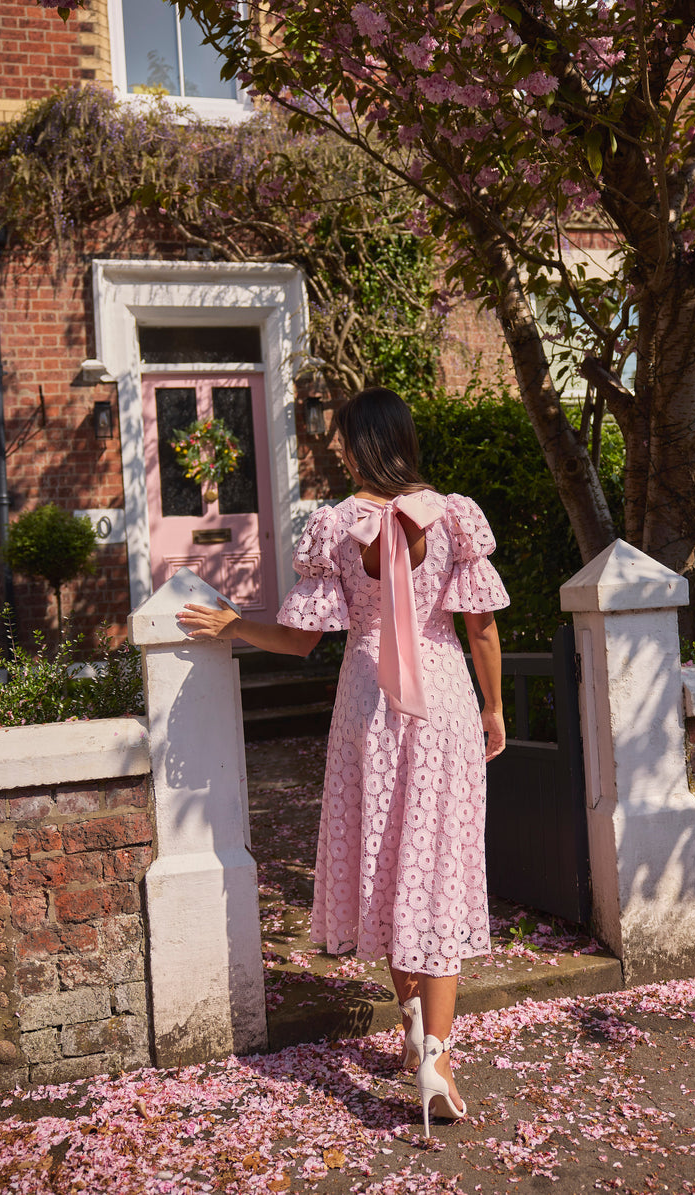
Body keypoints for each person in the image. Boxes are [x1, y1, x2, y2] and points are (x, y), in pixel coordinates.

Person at [177, 387, 509, 1137]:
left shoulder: (333, 526)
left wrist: (232, 623)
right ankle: (438, 1057)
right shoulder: (453, 514)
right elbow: (480, 628)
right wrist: (493, 707)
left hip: (367, 702)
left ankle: (410, 1031)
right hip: (443, 699)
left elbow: (300, 640)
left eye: (338, 440)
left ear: (359, 443)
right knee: (437, 869)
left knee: (388, 863)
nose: (333, 449)